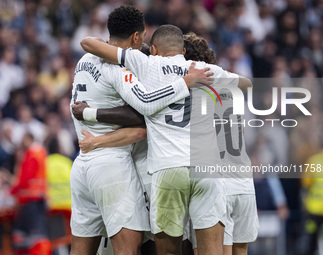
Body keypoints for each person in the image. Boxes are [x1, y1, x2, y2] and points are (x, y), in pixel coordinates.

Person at [78, 23, 252, 255]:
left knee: (169, 250)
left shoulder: (147, 64)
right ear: (182, 51)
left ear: (155, 49)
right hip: (207, 170)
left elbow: (89, 44)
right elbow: (247, 84)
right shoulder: (204, 69)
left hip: (168, 168)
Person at [69, 6, 209, 255]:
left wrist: (91, 116)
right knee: (130, 250)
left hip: (82, 167)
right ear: (135, 37)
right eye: (143, 36)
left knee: (81, 249)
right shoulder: (117, 67)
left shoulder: (84, 61)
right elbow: (145, 107)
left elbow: (87, 42)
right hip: (111, 167)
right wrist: (184, 83)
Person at [183, 32, 258, 255]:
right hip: (243, 182)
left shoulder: (190, 91)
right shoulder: (230, 89)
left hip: (219, 184)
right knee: (241, 250)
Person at [10, 132, 52, 255]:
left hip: (29, 198)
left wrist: (12, 191)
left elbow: (25, 177)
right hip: (40, 197)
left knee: (30, 236)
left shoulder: (31, 153)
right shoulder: (41, 152)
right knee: (39, 234)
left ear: (29, 139)